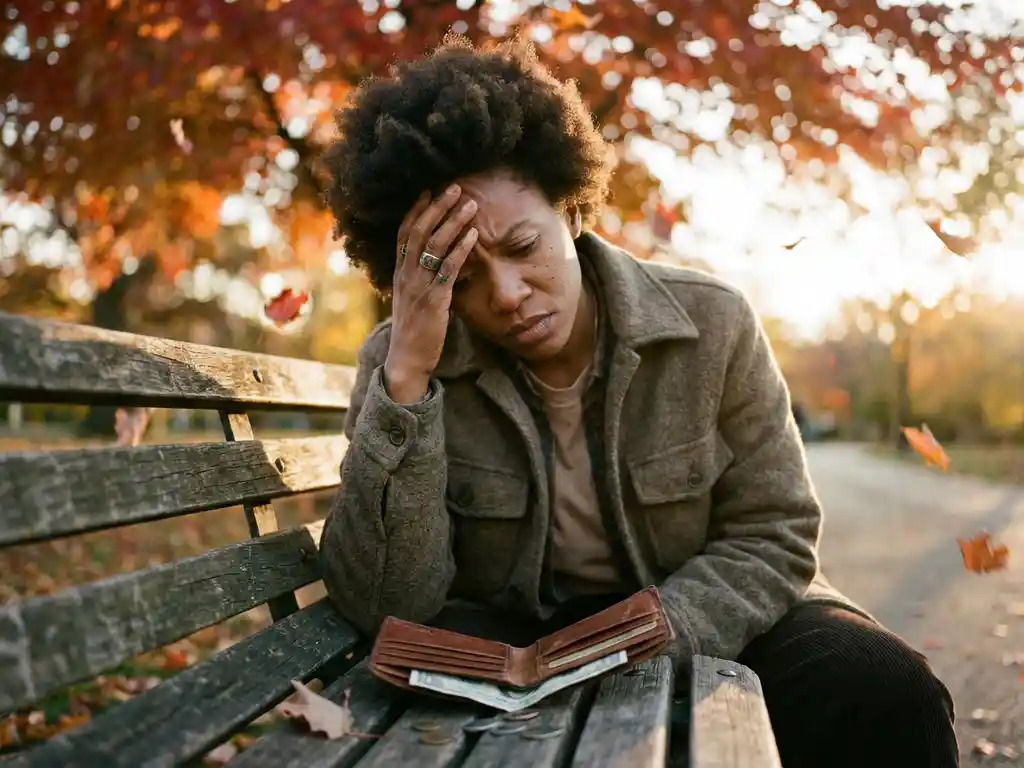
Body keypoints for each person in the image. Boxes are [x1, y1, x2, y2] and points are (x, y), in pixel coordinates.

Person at [318, 33, 957, 767]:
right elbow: (383, 602)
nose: (505, 294)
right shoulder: (405, 362)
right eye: (461, 277)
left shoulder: (713, 322)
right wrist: (407, 382)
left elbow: (774, 531)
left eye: (523, 247)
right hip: (513, 643)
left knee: (884, 688)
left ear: (573, 209)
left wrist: (651, 637)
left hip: (693, 608)